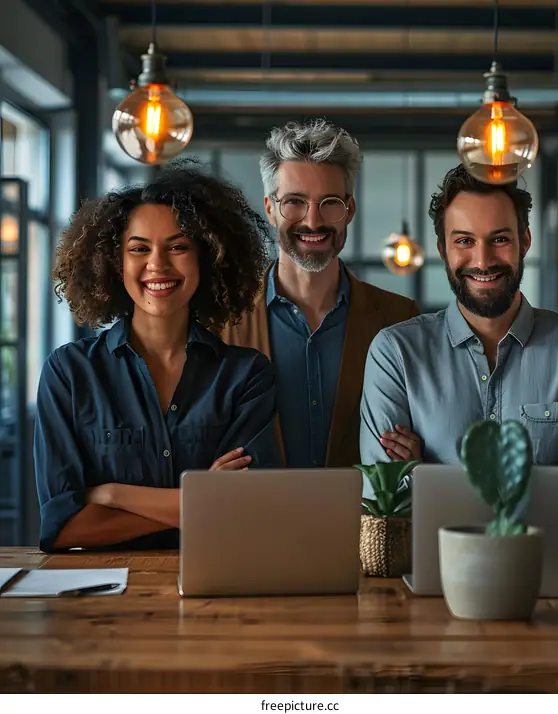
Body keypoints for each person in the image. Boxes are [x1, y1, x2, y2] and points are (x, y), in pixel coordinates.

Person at [35, 160, 279, 552]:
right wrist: (198, 500)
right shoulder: (69, 373)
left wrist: (113, 494)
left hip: (219, 590)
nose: (157, 265)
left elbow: (244, 509)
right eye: (139, 249)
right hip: (101, 601)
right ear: (115, 263)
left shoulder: (246, 375)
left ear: (207, 258)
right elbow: (62, 528)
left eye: (178, 247)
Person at [360, 163, 558, 472]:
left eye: (499, 239)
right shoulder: (395, 353)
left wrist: (424, 474)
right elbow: (386, 499)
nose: (483, 261)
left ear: (524, 242)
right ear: (443, 249)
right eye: (464, 241)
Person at [219, 118, 419, 468]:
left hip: (361, 520)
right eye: (294, 202)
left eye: (329, 203)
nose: (313, 221)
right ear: (269, 208)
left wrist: (420, 456)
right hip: (254, 517)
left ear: (349, 210)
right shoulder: (220, 319)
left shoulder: (401, 319)